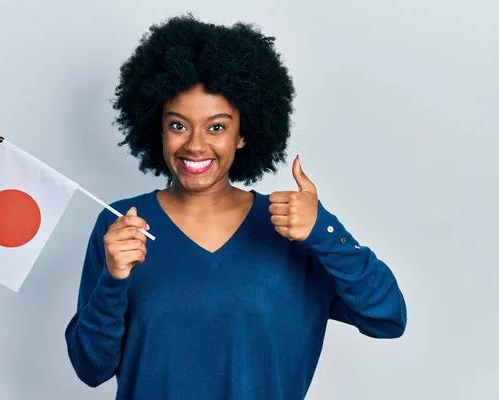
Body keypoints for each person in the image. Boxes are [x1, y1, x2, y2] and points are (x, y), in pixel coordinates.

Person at [64, 14, 407, 399]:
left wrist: (326, 232)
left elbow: (388, 317)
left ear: (243, 135)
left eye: (216, 127)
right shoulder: (121, 227)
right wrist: (113, 279)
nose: (195, 145)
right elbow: (90, 368)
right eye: (178, 125)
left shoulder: (292, 230)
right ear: (156, 128)